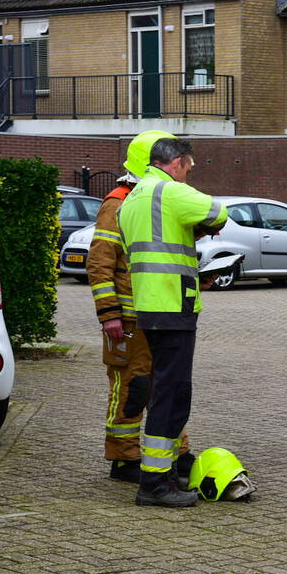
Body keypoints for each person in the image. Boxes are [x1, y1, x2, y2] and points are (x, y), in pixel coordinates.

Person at [117, 136, 228, 507]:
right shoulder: (167, 191)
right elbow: (218, 214)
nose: (189, 174)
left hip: (148, 306)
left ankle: (159, 477)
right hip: (173, 306)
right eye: (189, 167)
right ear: (177, 162)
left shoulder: (131, 198)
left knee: (165, 391)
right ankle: (154, 484)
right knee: (172, 395)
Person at [87, 130, 194, 486]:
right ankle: (124, 457)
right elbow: (100, 263)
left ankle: (174, 453)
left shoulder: (156, 199)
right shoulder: (118, 203)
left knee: (168, 386)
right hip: (130, 319)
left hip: (159, 314)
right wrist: (110, 314)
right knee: (134, 386)